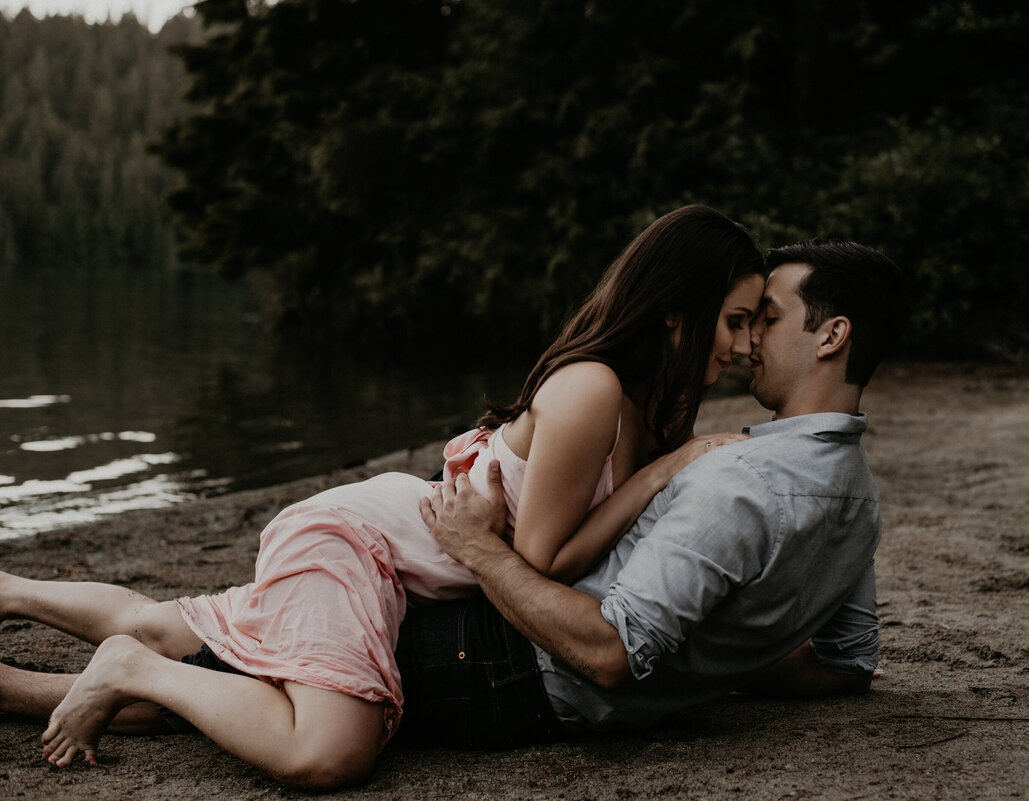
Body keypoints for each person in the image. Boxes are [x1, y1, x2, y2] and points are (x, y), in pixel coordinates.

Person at [0, 205, 765, 789]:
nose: (745, 346)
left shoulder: (638, 401)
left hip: (394, 552)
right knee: (328, 748)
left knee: (195, 632)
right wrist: (663, 475)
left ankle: (12, 596)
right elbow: (535, 560)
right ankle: (130, 667)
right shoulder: (593, 388)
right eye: (733, 321)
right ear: (677, 310)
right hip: (360, 543)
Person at [407, 237, 909, 743]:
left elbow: (609, 654)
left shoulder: (739, 481)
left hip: (505, 662)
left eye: (769, 319)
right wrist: (709, 662)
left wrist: (480, 551)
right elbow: (848, 664)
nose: (749, 338)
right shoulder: (861, 500)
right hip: (525, 642)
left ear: (832, 336)